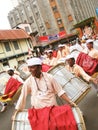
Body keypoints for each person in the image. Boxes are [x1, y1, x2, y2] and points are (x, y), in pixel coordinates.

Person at [12, 57, 76, 119]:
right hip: (39, 113)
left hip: (53, 110)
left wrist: (70, 102)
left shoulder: (50, 77)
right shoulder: (28, 82)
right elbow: (22, 97)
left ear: (40, 67)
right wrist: (16, 112)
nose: (29, 70)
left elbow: (60, 91)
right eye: (29, 67)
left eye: (32, 67)